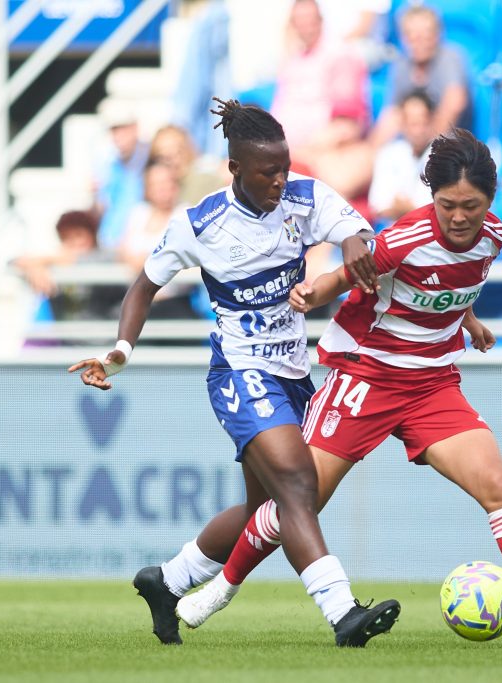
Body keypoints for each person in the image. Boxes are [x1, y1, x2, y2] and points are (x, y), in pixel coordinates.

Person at [175, 129, 502, 649]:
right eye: (447, 205)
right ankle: (217, 592)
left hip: (433, 385)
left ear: (491, 202)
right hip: (364, 379)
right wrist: (311, 292)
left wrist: (470, 322)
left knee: (497, 487)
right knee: (299, 501)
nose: (459, 218)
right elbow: (347, 276)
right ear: (429, 198)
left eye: (472, 206)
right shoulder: (404, 238)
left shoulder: (494, 238)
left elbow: (451, 284)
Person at [68, 98, 399, 648]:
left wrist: (357, 245)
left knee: (264, 509)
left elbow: (356, 233)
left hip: (295, 373)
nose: (279, 181)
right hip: (240, 373)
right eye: (267, 172)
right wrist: (120, 351)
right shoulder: (199, 223)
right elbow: (143, 287)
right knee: (298, 484)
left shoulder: (305, 198)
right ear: (235, 169)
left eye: (284, 168)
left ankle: (167, 580)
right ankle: (343, 613)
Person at [270, 0, 371, 153]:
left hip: (318, 151)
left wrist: (308, 149)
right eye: (298, 19)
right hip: (282, 148)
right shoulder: (293, 60)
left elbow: (348, 125)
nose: (304, 24)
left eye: (308, 18)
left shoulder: (340, 54)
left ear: (320, 19)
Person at [369, 4, 472, 148]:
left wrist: (427, 148)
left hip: (447, 147)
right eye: (413, 36)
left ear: (437, 34)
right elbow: (391, 115)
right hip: (410, 145)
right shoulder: (401, 64)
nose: (420, 42)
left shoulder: (450, 58)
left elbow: (454, 103)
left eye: (426, 35)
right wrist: (373, 151)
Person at [116, 161, 197, 320]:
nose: (162, 188)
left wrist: (144, 260)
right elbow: (122, 251)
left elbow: (184, 256)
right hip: (139, 301)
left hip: (174, 304)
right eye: (156, 183)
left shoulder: (186, 214)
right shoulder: (138, 213)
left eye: (167, 182)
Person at [11, 210, 123, 322]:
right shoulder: (55, 263)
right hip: (67, 336)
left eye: (78, 235)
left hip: (110, 336)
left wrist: (39, 262)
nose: (74, 242)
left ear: (92, 235)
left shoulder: (108, 257)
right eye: (66, 237)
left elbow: (85, 259)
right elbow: (12, 262)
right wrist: (34, 267)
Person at [368, 89, 435, 225]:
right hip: (392, 233)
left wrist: (404, 208)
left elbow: (439, 211)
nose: (417, 131)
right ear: (402, 123)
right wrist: (414, 210)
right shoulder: (388, 153)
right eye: (412, 123)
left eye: (422, 122)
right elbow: (378, 206)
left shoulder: (444, 155)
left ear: (431, 120)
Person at [93, 100, 150, 249]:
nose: (118, 135)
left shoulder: (150, 159)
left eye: (123, 129)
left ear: (135, 127)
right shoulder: (107, 165)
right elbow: (102, 207)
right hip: (110, 242)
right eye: (114, 130)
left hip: (139, 247)